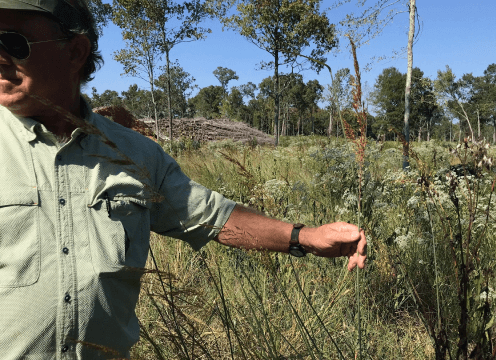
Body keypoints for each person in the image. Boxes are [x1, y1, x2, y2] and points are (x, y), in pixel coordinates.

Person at [0, 0, 367, 358]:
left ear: (75, 52)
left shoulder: (136, 154)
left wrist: (304, 237)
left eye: (13, 42)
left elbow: (212, 217)